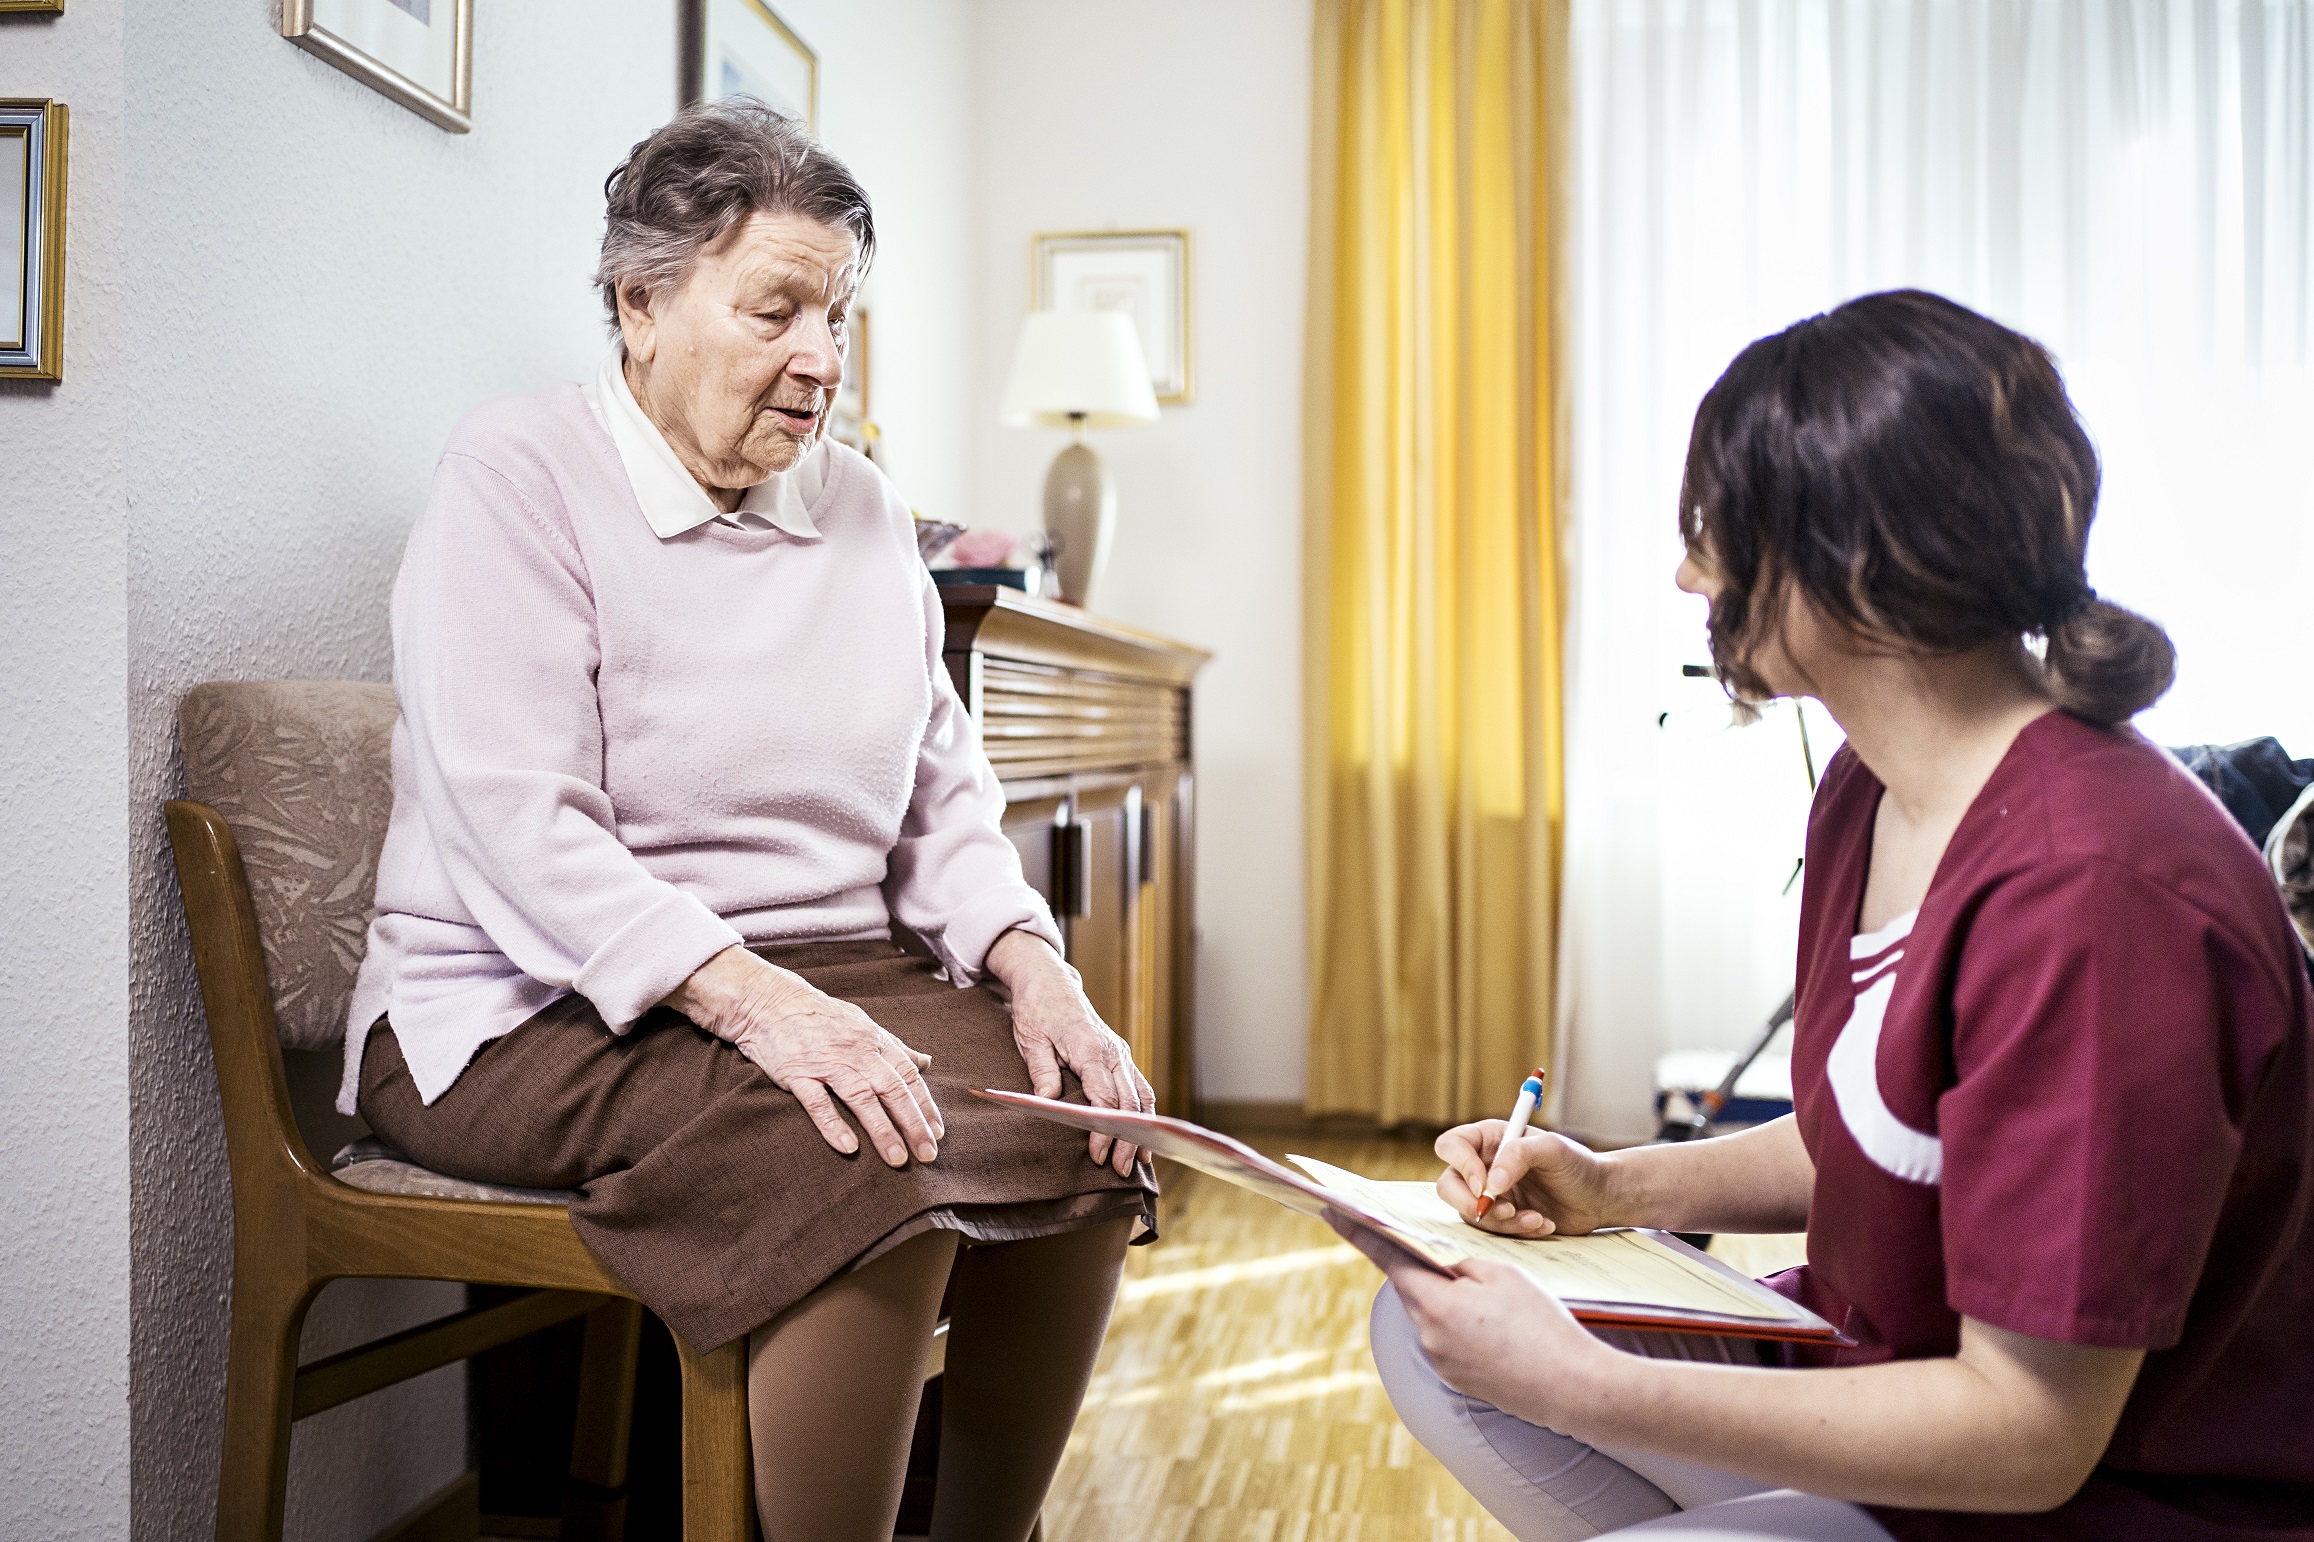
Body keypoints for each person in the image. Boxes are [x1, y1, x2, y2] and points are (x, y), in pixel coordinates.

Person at [1348, 290, 2314, 1540]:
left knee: (1530, 1371)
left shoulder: (2099, 897)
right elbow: (1871, 1133)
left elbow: (2030, 1437)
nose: (1687, 572)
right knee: (1427, 1320)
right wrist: (1606, 1188)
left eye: (1713, 533)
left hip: (2084, 1501)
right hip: (1879, 1380)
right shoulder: (1873, 783)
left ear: (1848, 559)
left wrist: (1587, 1383)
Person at [340, 100, 1156, 1542]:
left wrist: (1037, 968)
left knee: (1084, 1126)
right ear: (638, 303)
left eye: (836, 315)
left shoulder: (858, 512)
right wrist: (756, 1005)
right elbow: (517, 824)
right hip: (525, 1000)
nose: (819, 361)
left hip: (821, 972)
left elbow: (939, 793)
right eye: (776, 306)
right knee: (864, 1144)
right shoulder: (516, 477)